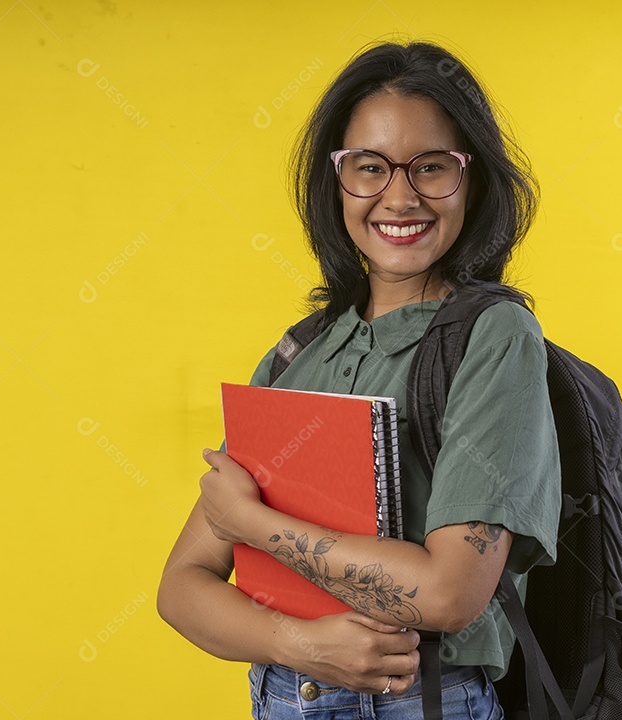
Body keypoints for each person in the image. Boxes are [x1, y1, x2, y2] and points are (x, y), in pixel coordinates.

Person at [157, 40, 562, 720]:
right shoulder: (298, 354)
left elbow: (447, 596)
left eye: (432, 167)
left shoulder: (493, 337)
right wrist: (302, 644)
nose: (399, 197)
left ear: (474, 179)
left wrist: (251, 523)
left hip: (421, 702)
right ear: (335, 181)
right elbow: (182, 589)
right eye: (368, 167)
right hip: (282, 694)